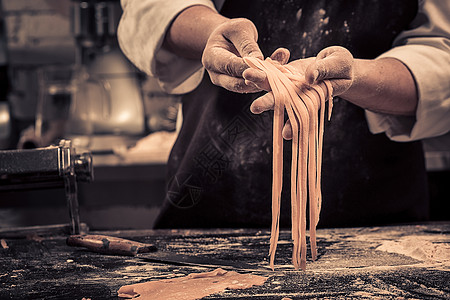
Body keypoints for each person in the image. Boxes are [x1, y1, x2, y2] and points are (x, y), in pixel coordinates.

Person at [118, 0, 450, 229]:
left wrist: (357, 78)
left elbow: (442, 50)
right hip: (211, 199)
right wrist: (214, 33)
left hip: (375, 215)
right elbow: (154, 6)